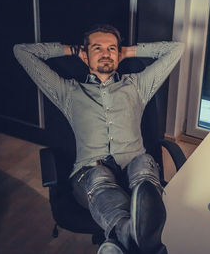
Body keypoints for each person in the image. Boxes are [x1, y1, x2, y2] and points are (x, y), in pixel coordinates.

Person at [13, 24, 184, 254]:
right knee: (99, 175)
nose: (106, 53)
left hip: (137, 171)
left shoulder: (136, 86)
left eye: (112, 48)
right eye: (97, 48)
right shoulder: (68, 92)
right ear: (85, 54)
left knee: (143, 164)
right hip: (90, 176)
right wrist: (72, 50)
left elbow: (177, 49)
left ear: (119, 53)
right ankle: (134, 232)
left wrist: (128, 51)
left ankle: (123, 238)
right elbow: (22, 52)